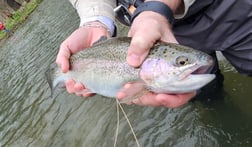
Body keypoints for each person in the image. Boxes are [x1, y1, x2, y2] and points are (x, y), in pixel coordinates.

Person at [56, 0, 252, 108]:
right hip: (153, 32)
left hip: (229, 8)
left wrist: (157, 8)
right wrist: (96, 21)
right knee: (204, 94)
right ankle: (215, 104)